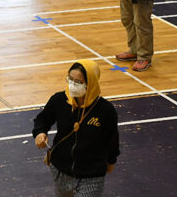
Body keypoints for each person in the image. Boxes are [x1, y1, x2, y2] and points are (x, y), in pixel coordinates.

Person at [33, 60, 120, 197]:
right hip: (61, 170)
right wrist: (40, 132)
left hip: (91, 174)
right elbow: (42, 119)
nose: (73, 85)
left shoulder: (105, 110)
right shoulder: (59, 100)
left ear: (90, 83)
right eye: (70, 79)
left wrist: (111, 161)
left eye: (79, 82)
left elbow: (112, 140)